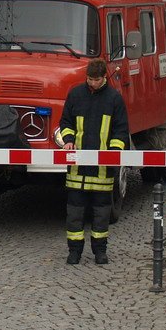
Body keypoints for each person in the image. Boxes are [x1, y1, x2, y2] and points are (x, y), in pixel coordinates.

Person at [57, 58, 130, 265]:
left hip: (102, 171)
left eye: (96, 80)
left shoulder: (114, 99)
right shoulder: (76, 94)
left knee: (101, 214)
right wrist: (68, 141)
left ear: (104, 78)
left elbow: (121, 129)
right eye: (89, 79)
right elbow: (66, 122)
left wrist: (114, 151)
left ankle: (100, 252)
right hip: (77, 170)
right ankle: (74, 252)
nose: (92, 83)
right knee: (74, 214)